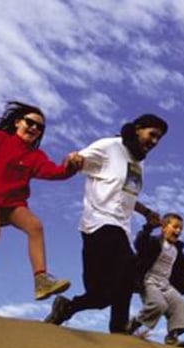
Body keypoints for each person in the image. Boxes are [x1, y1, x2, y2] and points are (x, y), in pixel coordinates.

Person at [43, 114, 167, 333]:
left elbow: (124, 192)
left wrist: (146, 211)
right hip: (98, 223)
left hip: (120, 228)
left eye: (159, 139)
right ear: (138, 129)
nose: (155, 142)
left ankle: (66, 307)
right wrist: (71, 159)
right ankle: (119, 329)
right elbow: (73, 161)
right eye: (152, 135)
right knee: (129, 268)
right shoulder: (109, 146)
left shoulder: (138, 162)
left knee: (101, 297)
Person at [0, 102, 85, 309]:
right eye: (30, 122)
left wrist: (70, 166)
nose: (34, 128)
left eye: (39, 127)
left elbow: (55, 172)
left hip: (13, 204)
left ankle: (41, 281)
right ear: (17, 123)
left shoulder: (35, 156)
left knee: (35, 226)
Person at [128, 213, 184, 348]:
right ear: (163, 228)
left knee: (180, 303)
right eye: (175, 227)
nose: (178, 231)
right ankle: (134, 323)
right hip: (148, 281)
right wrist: (148, 227)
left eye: (180, 229)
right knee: (159, 305)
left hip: (165, 284)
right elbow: (140, 243)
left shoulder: (176, 250)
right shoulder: (154, 242)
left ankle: (172, 337)